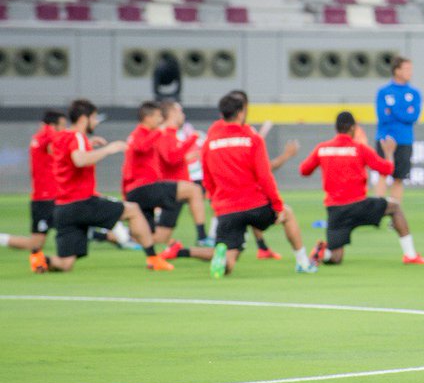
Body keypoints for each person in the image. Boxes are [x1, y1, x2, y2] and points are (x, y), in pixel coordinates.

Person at [41, 99, 168, 273]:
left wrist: (88, 144)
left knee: (65, 263)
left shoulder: (62, 136)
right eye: (94, 118)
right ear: (84, 118)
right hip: (81, 202)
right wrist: (108, 149)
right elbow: (79, 160)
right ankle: (154, 259)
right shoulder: (77, 136)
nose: (96, 122)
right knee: (133, 210)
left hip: (63, 208)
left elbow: (63, 154)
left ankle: (41, 260)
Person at [202, 93, 316, 276]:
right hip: (254, 205)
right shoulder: (252, 139)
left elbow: (207, 178)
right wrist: (277, 205)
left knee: (230, 260)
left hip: (226, 209)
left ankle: (223, 260)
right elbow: (264, 176)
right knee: (288, 214)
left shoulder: (210, 143)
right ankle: (303, 262)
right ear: (241, 113)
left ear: (222, 114)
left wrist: (215, 202)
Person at [300, 111, 424, 266]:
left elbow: (304, 170)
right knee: (394, 207)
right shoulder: (359, 148)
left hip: (335, 209)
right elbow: (387, 169)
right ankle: (410, 255)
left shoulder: (322, 148)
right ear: (353, 128)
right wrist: (389, 154)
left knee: (335, 257)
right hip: (359, 205)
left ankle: (322, 252)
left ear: (336, 128)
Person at [121, 101, 209, 249]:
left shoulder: (157, 134)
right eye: (157, 116)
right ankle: (202, 237)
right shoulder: (150, 134)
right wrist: (191, 139)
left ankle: (125, 238)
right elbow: (169, 157)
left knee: (158, 237)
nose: (160, 120)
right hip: (151, 187)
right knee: (194, 190)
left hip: (156, 188)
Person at [0, 111, 65, 270]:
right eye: (63, 125)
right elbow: (60, 143)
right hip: (46, 199)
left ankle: (39, 264)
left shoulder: (39, 138)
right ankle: (115, 236)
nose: (64, 129)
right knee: (36, 243)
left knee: (44, 240)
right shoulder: (47, 136)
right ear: (52, 125)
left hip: (46, 197)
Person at [374, 56, 421, 200]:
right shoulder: (384, 92)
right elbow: (383, 116)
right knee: (383, 174)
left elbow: (413, 117)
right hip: (386, 139)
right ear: (397, 70)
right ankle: (378, 209)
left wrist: (393, 109)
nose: (410, 72)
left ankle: (394, 211)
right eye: (407, 69)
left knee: (399, 177)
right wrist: (404, 112)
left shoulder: (414, 93)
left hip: (405, 139)